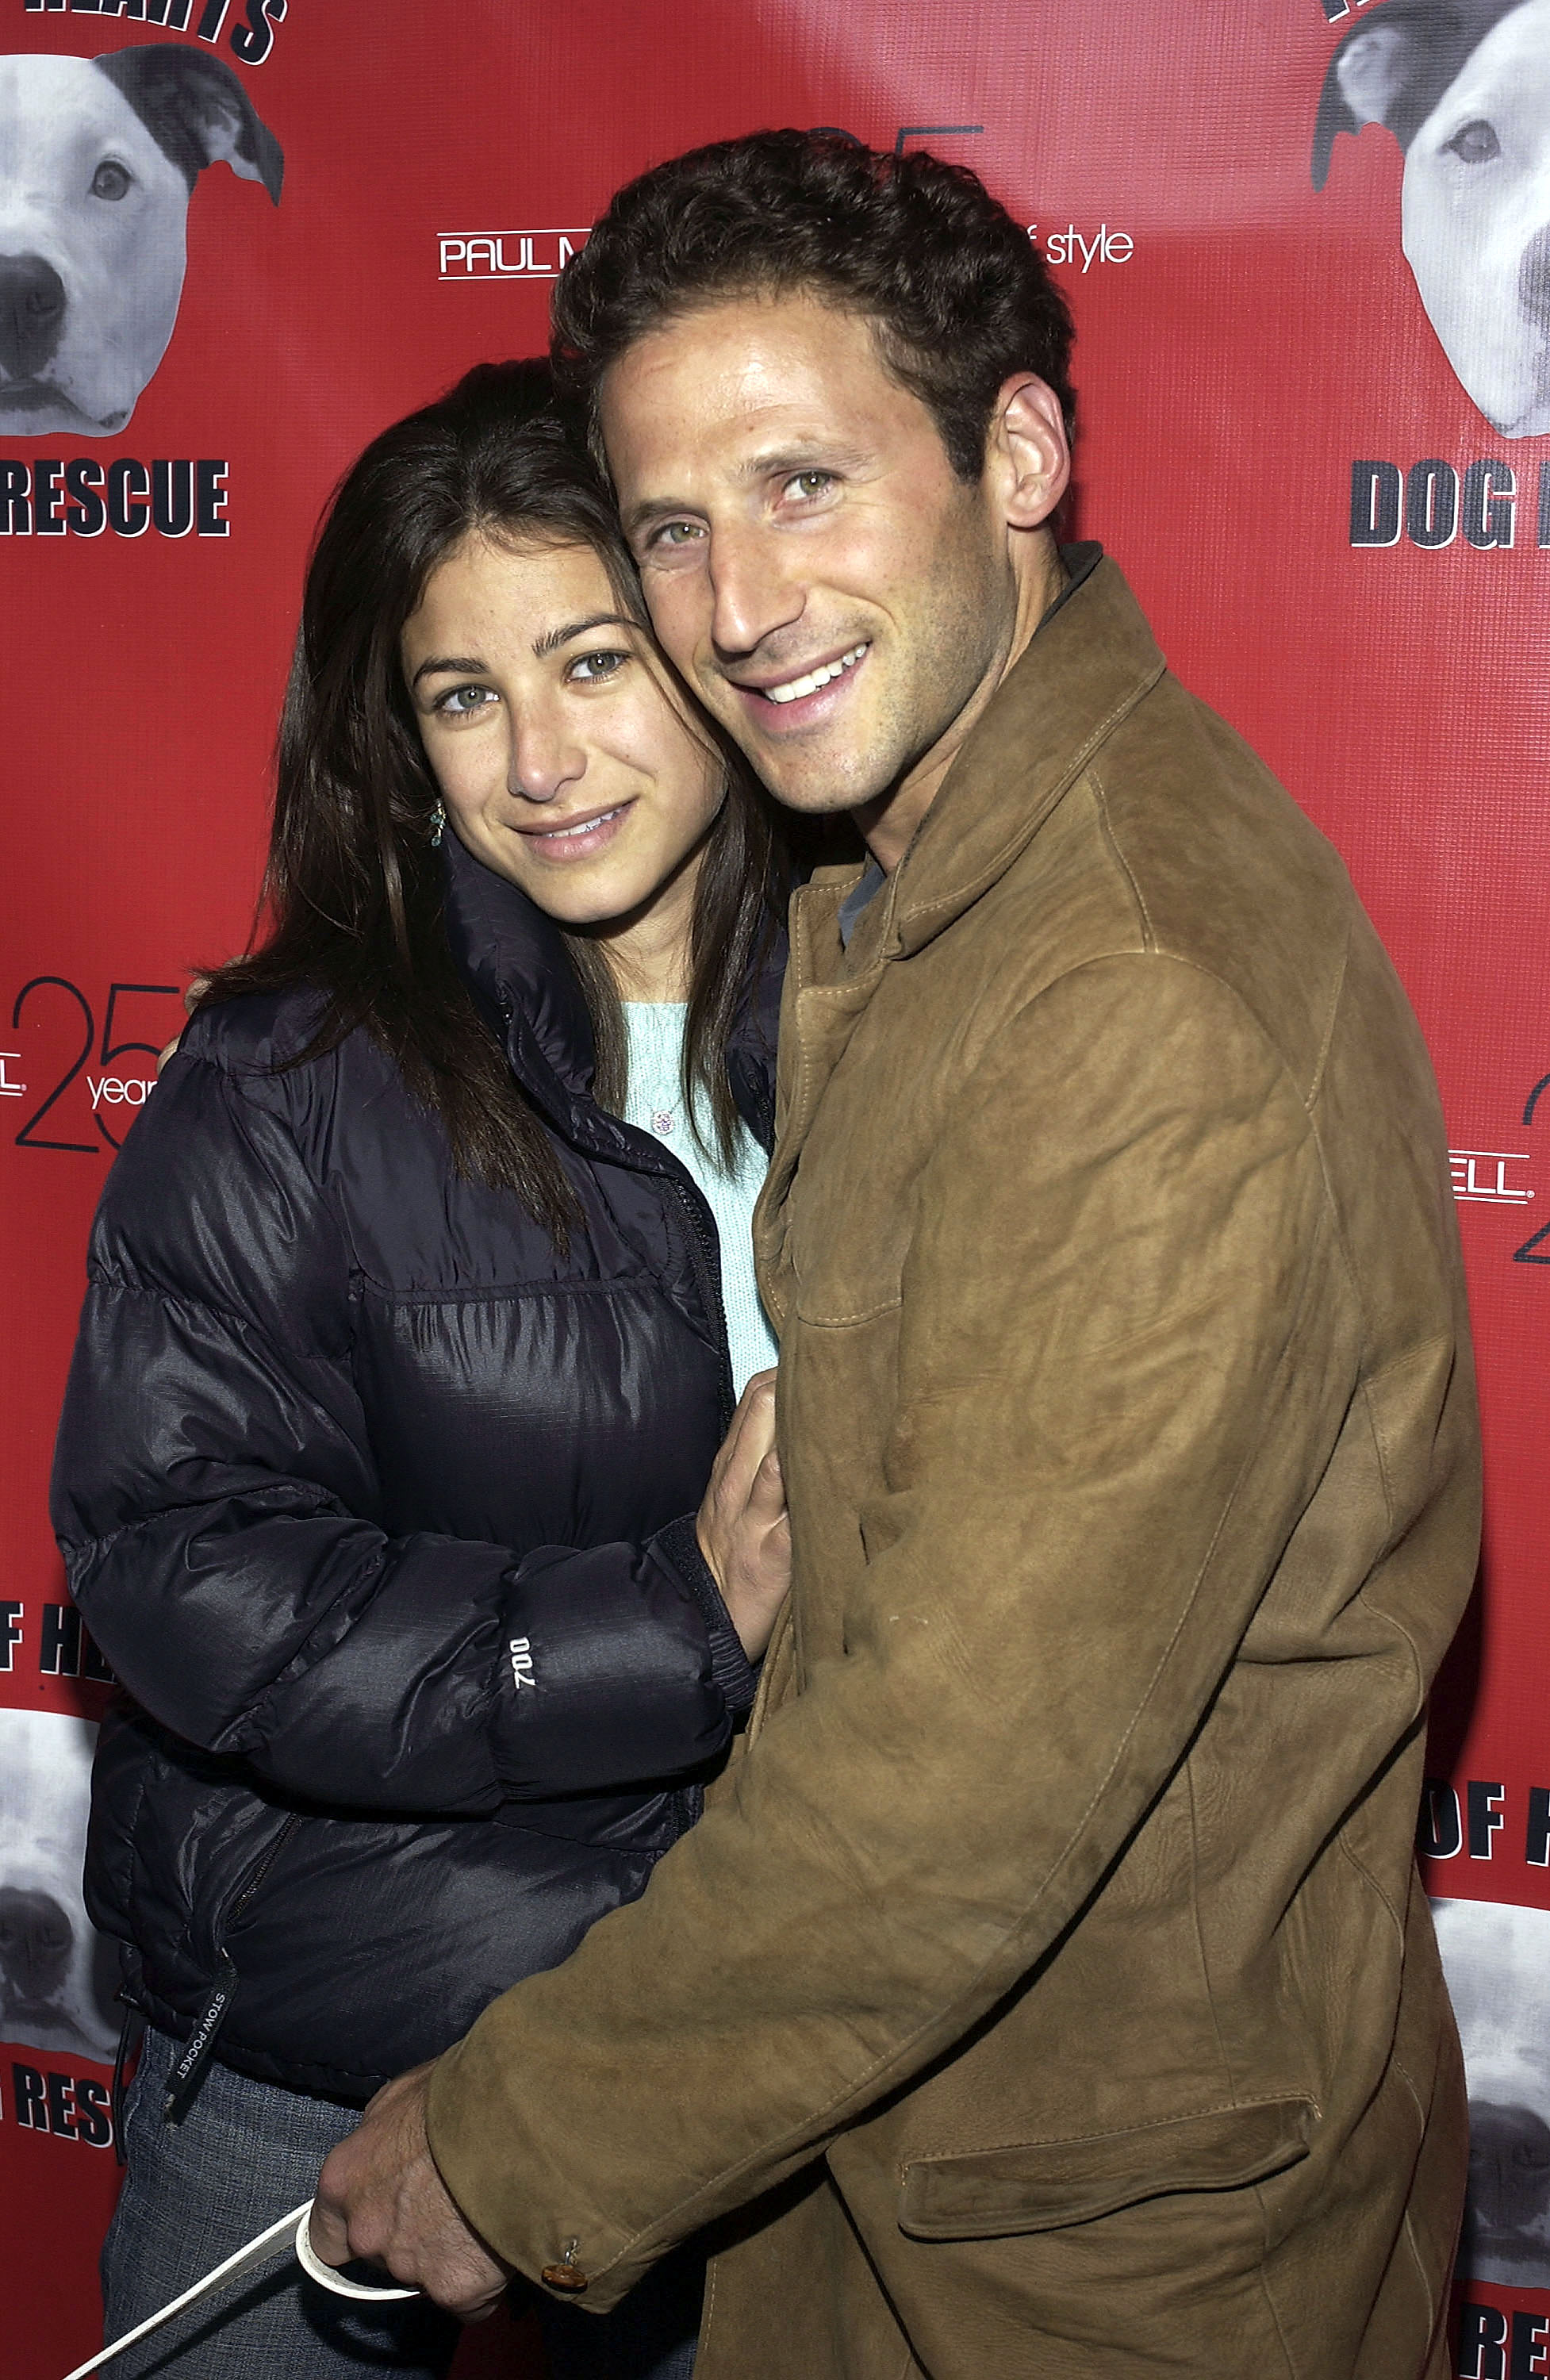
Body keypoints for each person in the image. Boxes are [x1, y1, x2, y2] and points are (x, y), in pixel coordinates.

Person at [314, 135, 1483, 2380]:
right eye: (674, 524)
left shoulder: (1124, 984)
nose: (737, 601)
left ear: (1016, 452)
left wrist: (514, 2131)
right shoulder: (946, 881)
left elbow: (960, 1789)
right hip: (950, 2179)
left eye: (805, 484)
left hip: (1090, 2272)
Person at [49, 358, 796, 2380]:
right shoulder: (291, 1075)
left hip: (737, 2074)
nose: (539, 757)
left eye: (590, 661)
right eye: (465, 695)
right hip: (324, 2067)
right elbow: (183, 1567)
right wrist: (673, 1623)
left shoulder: (898, 1022)